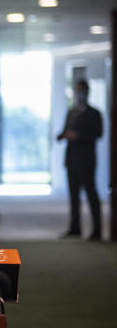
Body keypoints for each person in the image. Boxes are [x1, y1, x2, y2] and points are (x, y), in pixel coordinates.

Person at [57, 79, 103, 240]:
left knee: (91, 195)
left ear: (87, 92)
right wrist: (63, 135)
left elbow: (98, 133)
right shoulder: (71, 112)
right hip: (71, 160)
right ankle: (75, 228)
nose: (80, 94)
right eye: (77, 91)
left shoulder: (94, 113)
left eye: (82, 90)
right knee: (73, 196)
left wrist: (78, 136)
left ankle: (97, 230)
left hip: (87, 161)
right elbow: (64, 131)